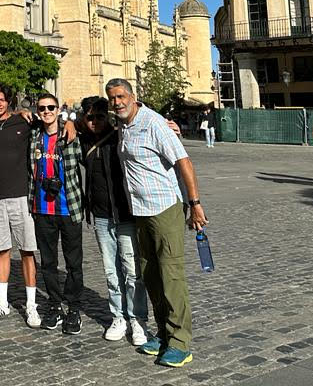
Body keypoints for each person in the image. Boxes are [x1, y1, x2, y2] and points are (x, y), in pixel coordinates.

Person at [105, 78, 207, 369]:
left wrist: (195, 204)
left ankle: (180, 342)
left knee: (171, 275)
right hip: (140, 211)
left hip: (165, 207)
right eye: (112, 98)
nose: (117, 102)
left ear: (133, 96)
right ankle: (163, 333)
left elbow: (184, 161)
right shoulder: (123, 126)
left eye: (121, 96)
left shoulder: (154, 123)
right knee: (150, 274)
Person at [77, 96, 148, 346]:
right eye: (90, 117)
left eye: (100, 116)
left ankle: (138, 319)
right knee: (110, 271)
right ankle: (118, 317)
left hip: (126, 214)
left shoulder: (122, 136)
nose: (95, 121)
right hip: (101, 216)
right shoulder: (84, 140)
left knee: (132, 271)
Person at [0, 83, 39, 328]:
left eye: (2, 99)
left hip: (21, 196)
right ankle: (2, 303)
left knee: (27, 250)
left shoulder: (24, 123)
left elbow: (51, 124)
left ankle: (31, 305)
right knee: (1, 250)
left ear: (9, 102)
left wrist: (69, 124)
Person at [29, 93, 84, 335]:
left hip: (68, 207)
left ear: (59, 109)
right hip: (42, 208)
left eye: (51, 107)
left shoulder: (71, 134)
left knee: (74, 263)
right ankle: (54, 305)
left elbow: (97, 127)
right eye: (42, 108)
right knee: (48, 263)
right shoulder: (33, 134)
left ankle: (74, 308)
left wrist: (72, 123)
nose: (47, 111)